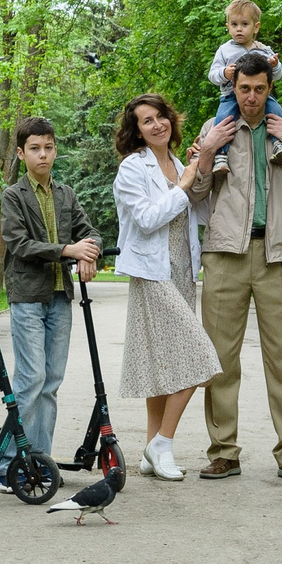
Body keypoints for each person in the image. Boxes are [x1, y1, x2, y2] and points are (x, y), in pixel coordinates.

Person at [184, 51, 282, 481]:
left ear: (269, 88)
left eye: (260, 89)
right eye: (244, 88)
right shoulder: (215, 128)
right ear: (233, 86)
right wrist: (206, 153)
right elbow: (196, 195)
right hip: (225, 254)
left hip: (279, 255)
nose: (252, 97)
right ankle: (224, 451)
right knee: (220, 359)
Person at [111, 93, 221, 481]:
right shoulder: (131, 169)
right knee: (201, 359)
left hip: (182, 272)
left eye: (161, 117)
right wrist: (184, 184)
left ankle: (149, 450)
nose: (157, 124)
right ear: (136, 131)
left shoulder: (178, 163)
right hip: (152, 274)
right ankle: (163, 443)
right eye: (146, 120)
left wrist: (200, 170)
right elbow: (145, 220)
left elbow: (202, 212)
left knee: (162, 362)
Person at [0, 116, 102, 468]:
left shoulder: (65, 194)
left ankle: (37, 460)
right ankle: (8, 463)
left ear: (55, 149)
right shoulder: (13, 196)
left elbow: (90, 232)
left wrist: (90, 254)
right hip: (27, 296)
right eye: (34, 149)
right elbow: (19, 244)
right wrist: (67, 251)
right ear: (21, 154)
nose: (43, 155)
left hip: (60, 298)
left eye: (48, 148)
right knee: (31, 379)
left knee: (51, 381)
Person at [205, 0, 282, 127]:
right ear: (228, 26)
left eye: (244, 24)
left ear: (256, 27)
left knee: (277, 112)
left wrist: (275, 66)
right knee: (222, 120)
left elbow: (277, 76)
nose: (239, 29)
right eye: (234, 24)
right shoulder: (225, 50)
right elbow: (212, 75)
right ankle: (221, 147)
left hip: (259, 96)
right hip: (230, 96)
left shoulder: (264, 50)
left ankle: (279, 142)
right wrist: (225, 73)